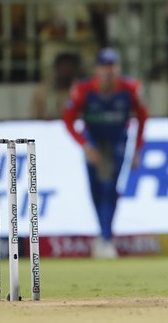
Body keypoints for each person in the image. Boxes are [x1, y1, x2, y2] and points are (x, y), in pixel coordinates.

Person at [63, 48, 148, 258]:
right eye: (104, 67)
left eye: (112, 67)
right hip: (93, 142)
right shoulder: (83, 90)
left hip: (118, 140)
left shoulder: (130, 88)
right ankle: (103, 236)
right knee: (96, 190)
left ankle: (106, 238)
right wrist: (85, 145)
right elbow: (68, 120)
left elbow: (142, 117)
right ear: (96, 70)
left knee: (110, 188)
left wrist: (137, 148)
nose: (109, 72)